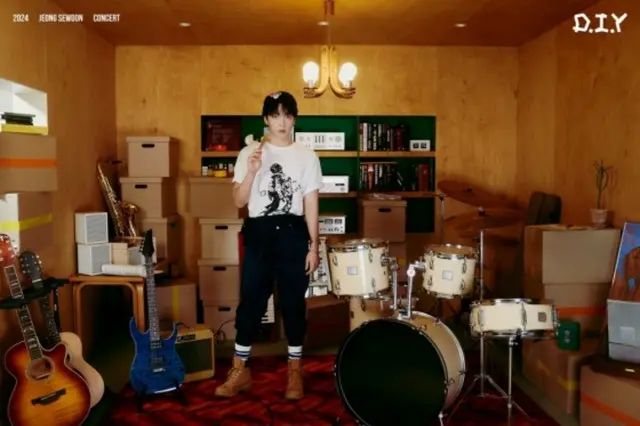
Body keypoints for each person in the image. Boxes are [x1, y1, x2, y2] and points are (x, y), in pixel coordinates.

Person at [215, 91, 323, 400]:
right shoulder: (250, 152)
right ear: (265, 119)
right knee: (251, 302)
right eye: (275, 115)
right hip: (259, 233)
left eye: (287, 115)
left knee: (293, 304)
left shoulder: (307, 156)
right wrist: (251, 172)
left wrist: (314, 247)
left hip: (292, 233)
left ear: (294, 119)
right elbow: (239, 201)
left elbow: (311, 202)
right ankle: (239, 370)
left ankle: (294, 372)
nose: (282, 122)